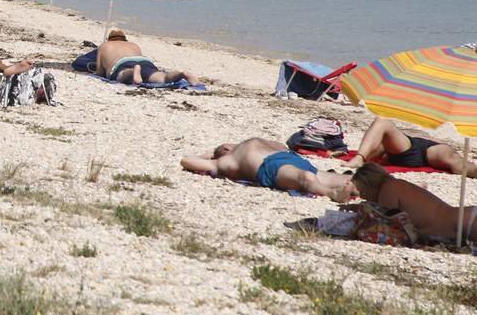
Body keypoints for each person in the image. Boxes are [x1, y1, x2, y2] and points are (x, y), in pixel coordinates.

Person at [342, 163, 477, 244]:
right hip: (465, 218)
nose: (362, 196)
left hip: (465, 223)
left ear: (369, 184)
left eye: (359, 190)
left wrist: (360, 211)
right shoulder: (395, 186)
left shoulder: (389, 189)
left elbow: (384, 223)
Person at [181, 137, 351, 199]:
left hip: (291, 159)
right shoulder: (228, 161)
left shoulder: (252, 145)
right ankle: (331, 193)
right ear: (224, 151)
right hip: (271, 166)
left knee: (342, 179)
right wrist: (208, 154)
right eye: (223, 146)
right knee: (305, 177)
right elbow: (186, 161)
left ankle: (365, 188)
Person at [347, 117, 476, 176]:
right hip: (413, 145)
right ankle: (360, 157)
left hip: (426, 146)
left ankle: (359, 157)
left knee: (454, 162)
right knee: (454, 161)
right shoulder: (387, 142)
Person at [96, 29, 200, 86]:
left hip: (122, 63)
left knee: (123, 74)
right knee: (162, 77)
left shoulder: (104, 46)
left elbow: (100, 72)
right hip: (144, 62)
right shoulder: (133, 45)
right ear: (125, 39)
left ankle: (132, 72)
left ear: (109, 39)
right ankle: (182, 74)